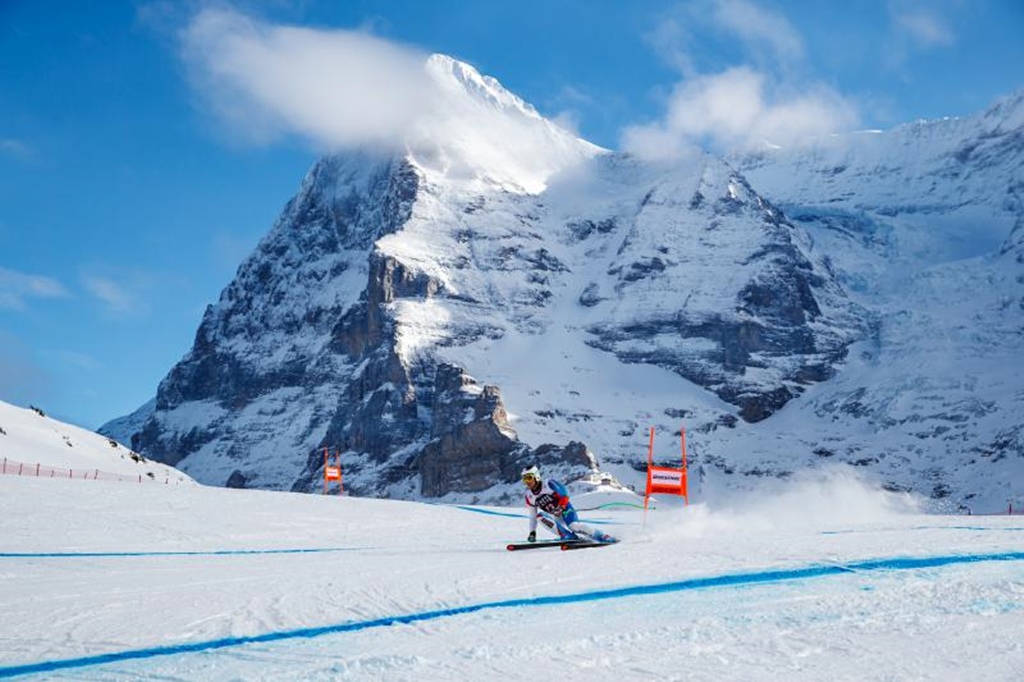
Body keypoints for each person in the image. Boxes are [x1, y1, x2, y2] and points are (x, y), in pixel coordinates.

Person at [521, 465, 616, 543]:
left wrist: (561, 507)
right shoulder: (529, 496)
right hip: (556, 516)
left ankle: (602, 536)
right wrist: (532, 532)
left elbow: (565, 495)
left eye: (529, 478)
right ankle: (567, 535)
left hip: (566, 509)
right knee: (539, 516)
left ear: (536, 476)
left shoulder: (549, 484)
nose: (527, 482)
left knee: (574, 527)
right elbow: (533, 516)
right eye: (524, 479)